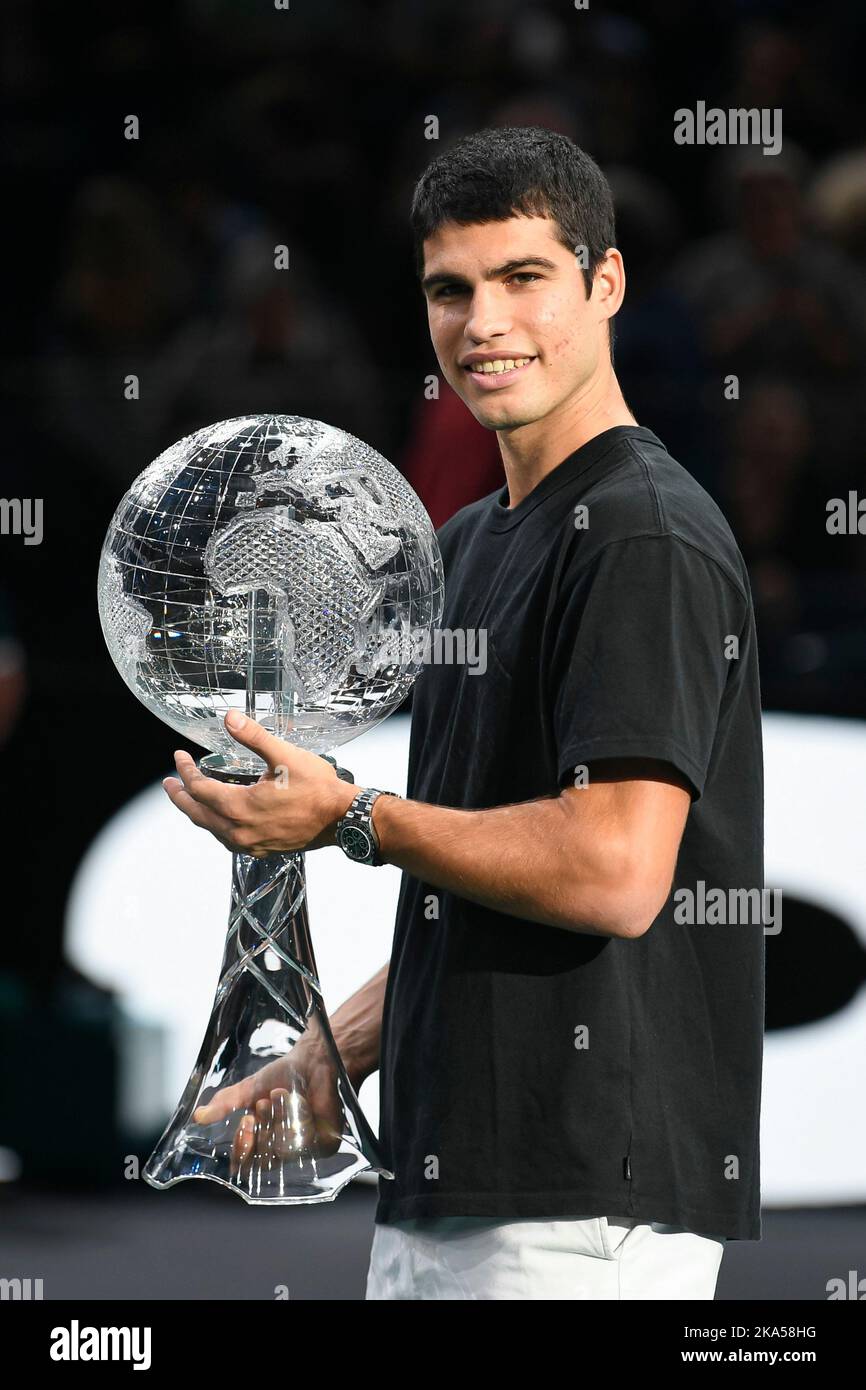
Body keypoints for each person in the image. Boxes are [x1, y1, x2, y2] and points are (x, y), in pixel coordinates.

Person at [163, 126, 764, 1300]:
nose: (481, 321)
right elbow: (478, 873)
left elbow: (609, 869)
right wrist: (330, 1053)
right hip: (465, 1185)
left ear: (605, 284)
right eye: (451, 289)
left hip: (582, 1204)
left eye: (522, 278)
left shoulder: (641, 534)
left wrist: (348, 817)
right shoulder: (466, 544)